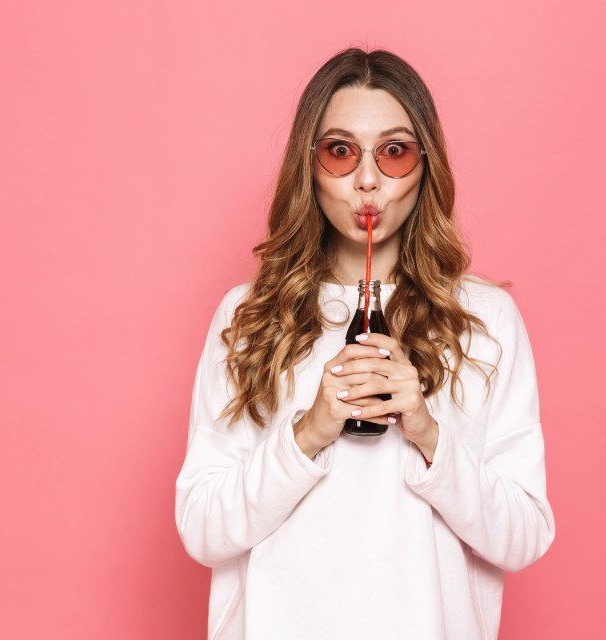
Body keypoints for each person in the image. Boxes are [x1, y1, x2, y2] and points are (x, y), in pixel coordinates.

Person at [174, 47, 555, 640]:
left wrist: (428, 433)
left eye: (394, 152)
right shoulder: (249, 317)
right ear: (311, 165)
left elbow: (524, 536)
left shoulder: (483, 320)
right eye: (341, 151)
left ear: (425, 165)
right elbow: (201, 528)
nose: (368, 180)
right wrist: (308, 434)